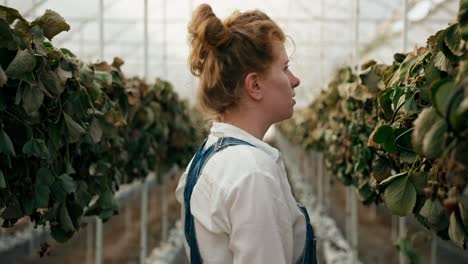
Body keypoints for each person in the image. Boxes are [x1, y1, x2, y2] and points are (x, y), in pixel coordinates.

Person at [175, 3, 317, 264]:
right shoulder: (253, 174)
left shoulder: (207, 156)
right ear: (255, 85)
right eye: (284, 68)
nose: (295, 80)